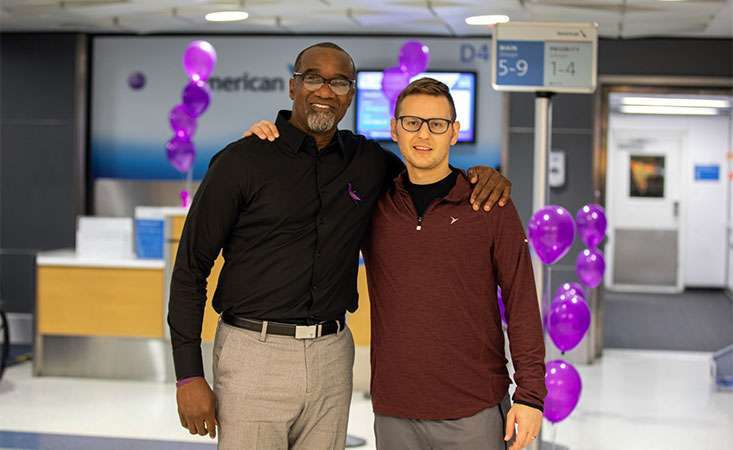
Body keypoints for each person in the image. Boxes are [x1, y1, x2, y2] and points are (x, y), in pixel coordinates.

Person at [168, 42, 512, 450]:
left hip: (332, 356)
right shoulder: (242, 162)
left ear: (351, 94)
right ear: (293, 86)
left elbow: (428, 173)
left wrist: (480, 176)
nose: (326, 91)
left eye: (340, 82)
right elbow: (191, 268)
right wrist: (189, 374)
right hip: (253, 356)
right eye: (313, 78)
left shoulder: (368, 162)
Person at [247, 77, 546, 450]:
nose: (424, 134)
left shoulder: (487, 205)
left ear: (454, 133)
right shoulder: (373, 202)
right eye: (412, 122)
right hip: (394, 412)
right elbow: (309, 184)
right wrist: (264, 147)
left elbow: (521, 300)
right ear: (394, 128)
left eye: (437, 124)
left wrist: (530, 395)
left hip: (474, 409)